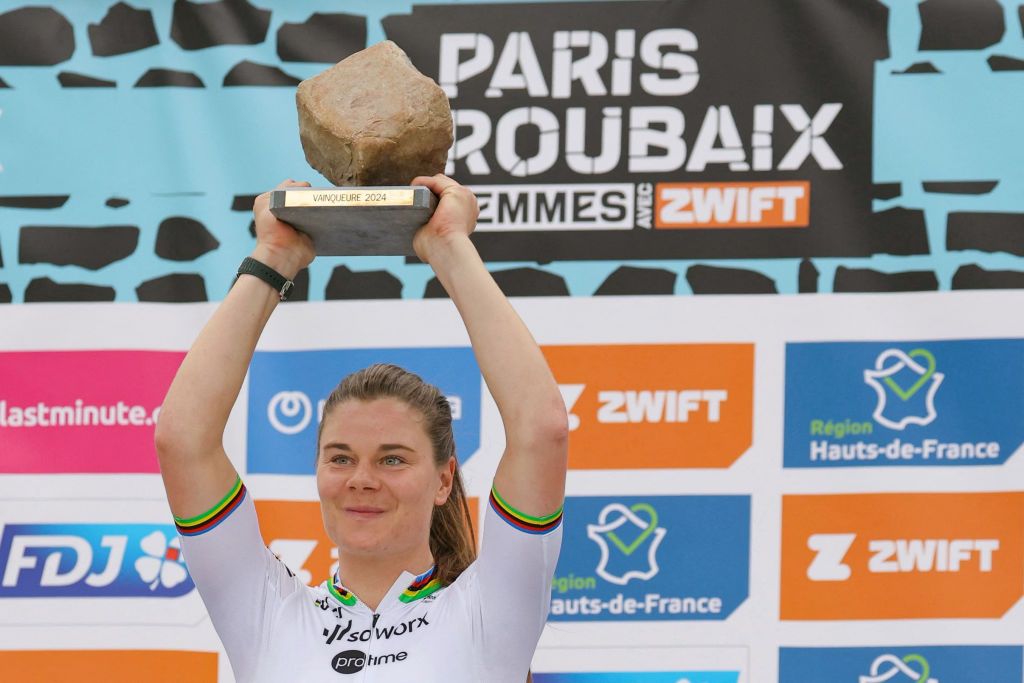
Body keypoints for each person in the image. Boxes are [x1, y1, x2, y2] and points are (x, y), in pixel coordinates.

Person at [154, 174, 568, 682]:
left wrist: (449, 247)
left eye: (392, 459)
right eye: (341, 457)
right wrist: (274, 256)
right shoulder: (268, 615)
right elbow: (182, 440)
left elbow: (541, 429)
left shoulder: (489, 611)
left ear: (443, 480)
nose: (361, 479)